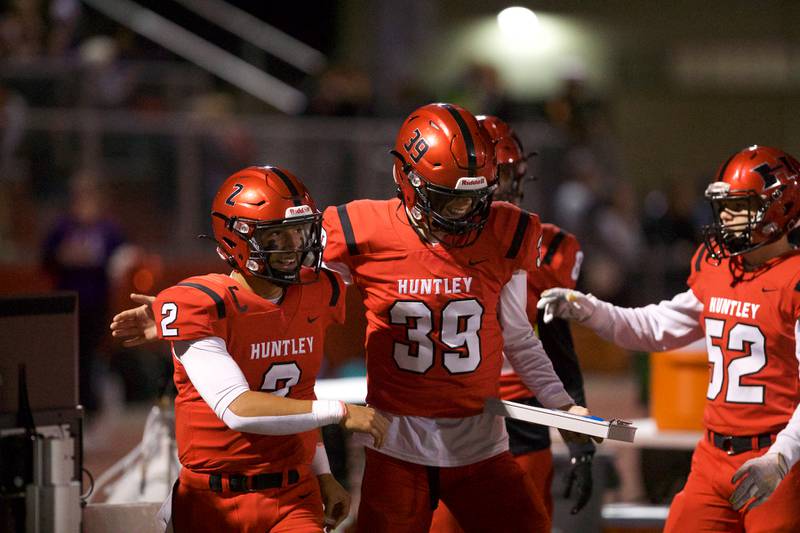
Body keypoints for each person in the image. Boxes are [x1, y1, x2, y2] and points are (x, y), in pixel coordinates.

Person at [321, 102, 594, 533]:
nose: (466, 213)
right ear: (407, 181)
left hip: (479, 445)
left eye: (476, 198)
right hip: (398, 444)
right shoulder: (362, 228)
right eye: (451, 200)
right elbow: (296, 285)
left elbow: (520, 338)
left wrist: (563, 406)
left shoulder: (506, 232)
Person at [110, 166, 389, 532]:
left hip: (293, 494)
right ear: (235, 240)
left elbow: (299, 395)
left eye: (299, 232)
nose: (294, 248)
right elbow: (237, 408)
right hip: (213, 500)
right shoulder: (203, 305)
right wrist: (340, 412)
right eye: (276, 238)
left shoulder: (317, 291)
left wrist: (322, 473)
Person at [538, 145, 800, 532]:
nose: (725, 216)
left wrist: (780, 459)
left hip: (775, 457)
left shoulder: (793, 280)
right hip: (712, 456)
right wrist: (589, 308)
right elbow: (655, 327)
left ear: (778, 208)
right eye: (723, 204)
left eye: (739, 205)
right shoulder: (718, 268)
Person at [428, 115, 595, 533]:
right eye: (486, 175)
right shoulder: (414, 244)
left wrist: (574, 428)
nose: (498, 188)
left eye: (502, 175)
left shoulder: (543, 244)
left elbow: (556, 342)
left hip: (520, 416)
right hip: (442, 417)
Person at [42, 171, 126, 415]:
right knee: (69, 356)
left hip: (96, 302)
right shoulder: (62, 227)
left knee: (91, 356)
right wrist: (65, 257)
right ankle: (69, 404)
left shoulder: (108, 228)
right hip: (68, 303)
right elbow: (47, 259)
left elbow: (122, 259)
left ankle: (91, 406)